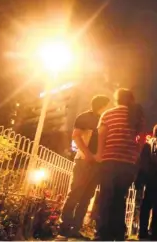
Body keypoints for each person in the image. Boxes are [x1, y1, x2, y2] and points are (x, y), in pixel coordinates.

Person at [56, 95, 110, 241]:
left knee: (87, 196)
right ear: (101, 105)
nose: (108, 108)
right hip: (83, 160)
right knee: (75, 193)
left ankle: (76, 228)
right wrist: (88, 154)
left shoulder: (105, 121)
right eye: (107, 105)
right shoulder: (85, 117)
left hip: (97, 163)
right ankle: (64, 228)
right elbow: (76, 136)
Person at [95, 88, 145, 241]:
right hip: (128, 163)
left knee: (105, 196)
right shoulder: (136, 116)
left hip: (109, 160)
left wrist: (99, 155)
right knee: (119, 197)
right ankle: (117, 233)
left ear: (116, 99)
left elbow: (102, 137)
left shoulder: (108, 114)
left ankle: (102, 234)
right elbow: (141, 140)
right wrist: (135, 155)